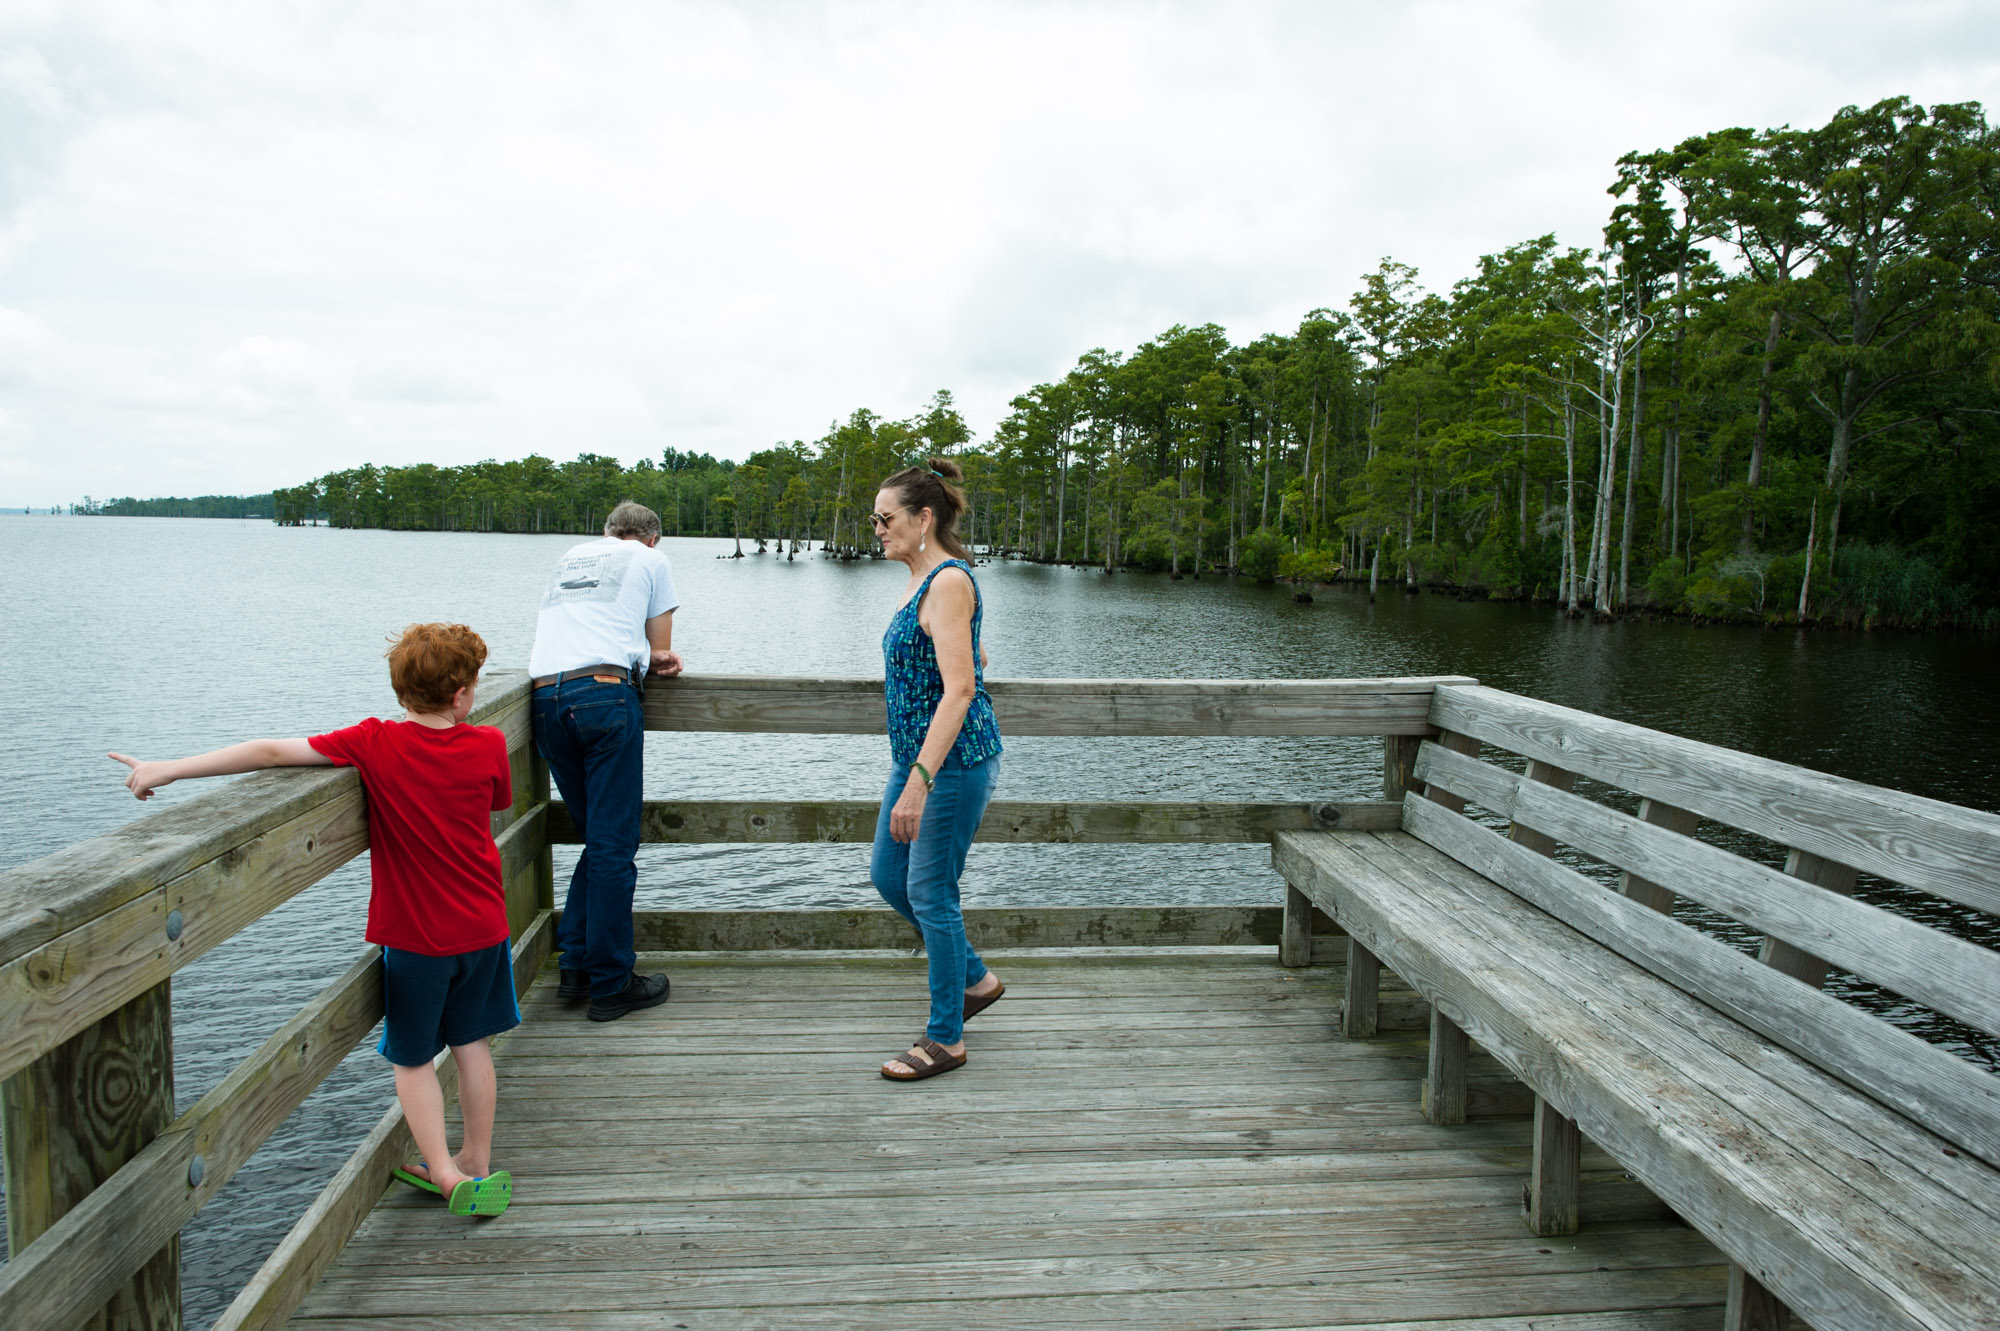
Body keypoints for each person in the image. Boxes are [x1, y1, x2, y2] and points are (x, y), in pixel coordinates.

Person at [110, 623, 518, 1217]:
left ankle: (450, 1176)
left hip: (415, 937)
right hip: (483, 928)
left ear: (402, 692)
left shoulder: (374, 740)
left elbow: (273, 752)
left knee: (411, 1059)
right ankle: (478, 1160)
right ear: (462, 695)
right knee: (472, 1045)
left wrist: (167, 768)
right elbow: (495, 803)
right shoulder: (484, 745)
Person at [869, 458, 1005, 1081]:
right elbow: (954, 656)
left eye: (886, 518)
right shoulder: (923, 580)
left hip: (949, 763)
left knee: (930, 892)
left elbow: (959, 691)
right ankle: (974, 977)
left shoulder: (948, 580)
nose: (877, 529)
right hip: (916, 757)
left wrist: (920, 783)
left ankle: (945, 1037)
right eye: (874, 519)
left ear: (924, 517)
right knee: (889, 877)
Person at [529, 499, 684, 1021]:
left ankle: (575, 965)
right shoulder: (651, 562)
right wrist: (657, 656)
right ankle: (613, 983)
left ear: (606, 532)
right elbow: (660, 649)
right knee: (615, 843)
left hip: (545, 699)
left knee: (599, 838)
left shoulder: (572, 556)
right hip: (602, 694)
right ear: (651, 540)